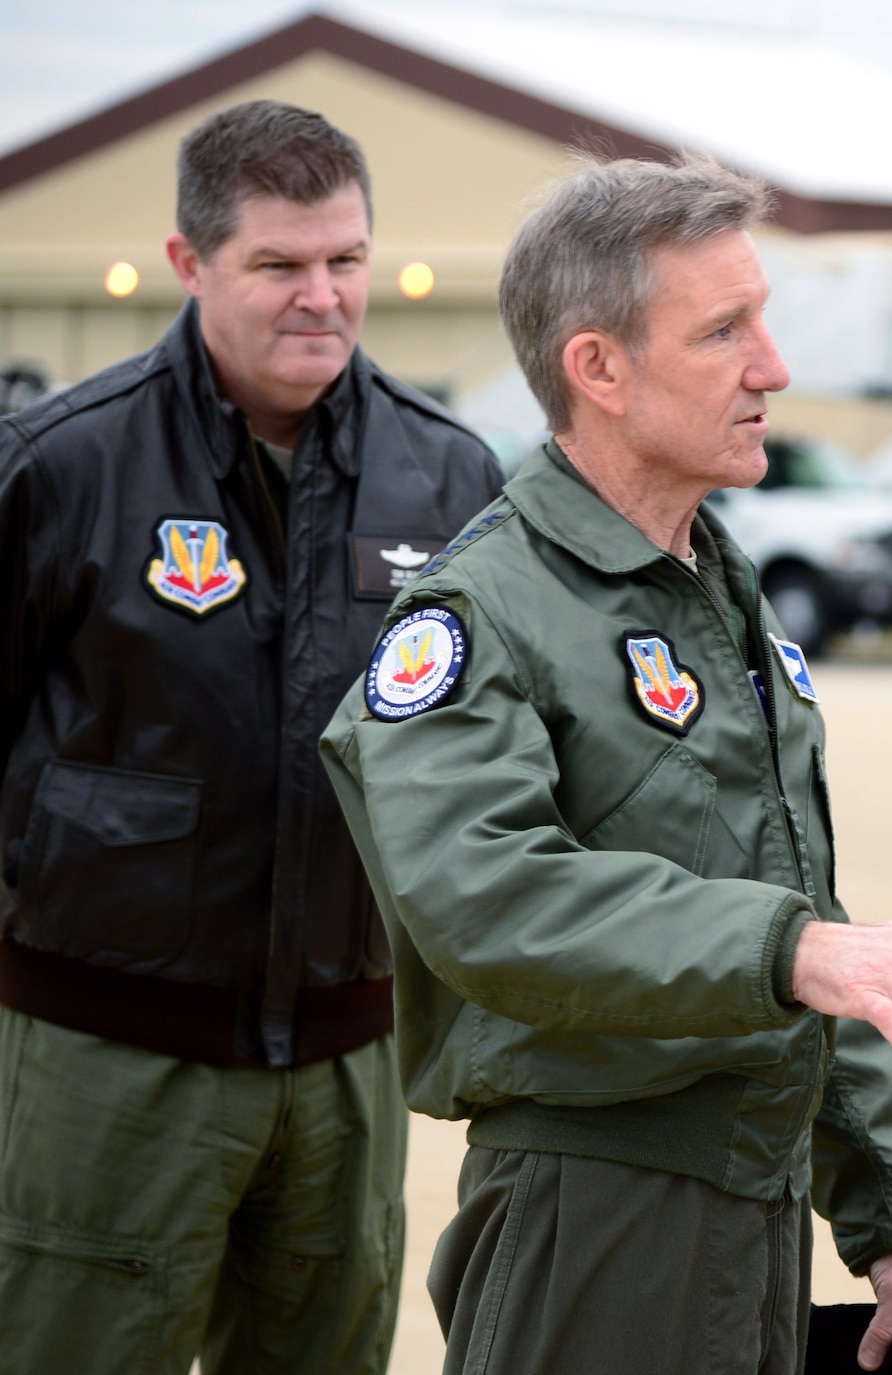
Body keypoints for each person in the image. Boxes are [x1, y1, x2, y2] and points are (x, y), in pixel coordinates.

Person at [319, 155, 892, 1375]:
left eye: (763, 319)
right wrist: (789, 948)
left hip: (751, 1214)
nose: (774, 366)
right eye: (723, 331)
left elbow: (807, 932)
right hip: (594, 1215)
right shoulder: (482, 613)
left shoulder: (719, 594)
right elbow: (484, 896)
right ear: (597, 367)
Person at [0, 101, 503, 1372]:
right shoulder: (59, 466)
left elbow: (481, 760)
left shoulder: (449, 480)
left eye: (345, 259)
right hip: (105, 1063)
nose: (321, 297)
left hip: (349, 1072)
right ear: (190, 263)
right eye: (277, 264)